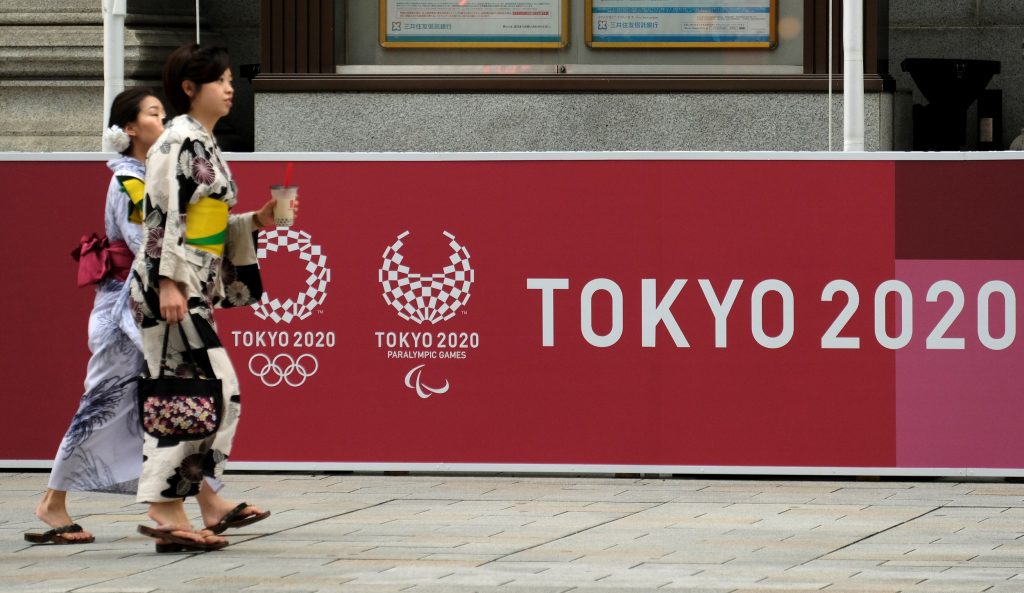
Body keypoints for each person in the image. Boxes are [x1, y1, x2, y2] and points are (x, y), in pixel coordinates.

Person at [129, 44, 284, 552]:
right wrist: (168, 280)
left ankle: (202, 504)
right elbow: (162, 216)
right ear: (190, 89)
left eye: (229, 79)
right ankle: (163, 506)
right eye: (218, 80)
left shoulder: (201, 142)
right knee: (196, 398)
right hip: (171, 288)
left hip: (188, 284)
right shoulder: (178, 140)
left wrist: (255, 221)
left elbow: (204, 224)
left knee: (196, 399)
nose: (229, 87)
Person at [24, 88, 164, 545]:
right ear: (129, 128)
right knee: (101, 405)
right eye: (153, 113)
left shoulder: (143, 175)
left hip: (135, 306)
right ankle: (54, 501)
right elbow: (150, 243)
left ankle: (176, 503)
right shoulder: (130, 182)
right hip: (124, 310)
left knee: (152, 406)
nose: (162, 119)